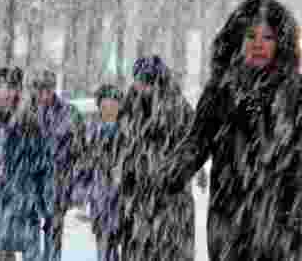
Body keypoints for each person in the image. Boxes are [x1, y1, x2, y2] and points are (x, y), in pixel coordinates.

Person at [159, 0, 302, 261]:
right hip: (234, 232)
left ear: (281, 43)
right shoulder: (221, 93)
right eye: (251, 36)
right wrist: (165, 177)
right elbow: (195, 144)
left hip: (293, 233)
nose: (258, 44)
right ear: (237, 41)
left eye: (267, 37)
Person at [113, 56, 198, 261]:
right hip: (137, 201)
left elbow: (193, 149)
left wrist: (170, 175)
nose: (142, 86)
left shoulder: (177, 109)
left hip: (169, 203)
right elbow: (120, 149)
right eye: (139, 80)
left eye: (147, 80)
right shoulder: (129, 108)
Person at [0, 67, 53, 261]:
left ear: (18, 92)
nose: (5, 93)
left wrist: (43, 205)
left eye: (11, 87)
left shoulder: (29, 125)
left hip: (22, 214)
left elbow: (43, 169)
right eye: (0, 86)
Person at [33, 69, 84, 261]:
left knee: (53, 232)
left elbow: (79, 151)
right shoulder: (31, 112)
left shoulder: (69, 113)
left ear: (53, 89)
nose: (43, 93)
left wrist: (72, 180)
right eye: (39, 89)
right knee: (32, 237)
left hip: (58, 183)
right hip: (34, 183)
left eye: (46, 89)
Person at [81, 84, 122, 261]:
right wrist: (84, 193)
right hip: (101, 203)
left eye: (113, 106)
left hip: (122, 204)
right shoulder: (92, 133)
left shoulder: (128, 133)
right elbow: (84, 167)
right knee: (104, 251)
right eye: (105, 107)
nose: (109, 111)